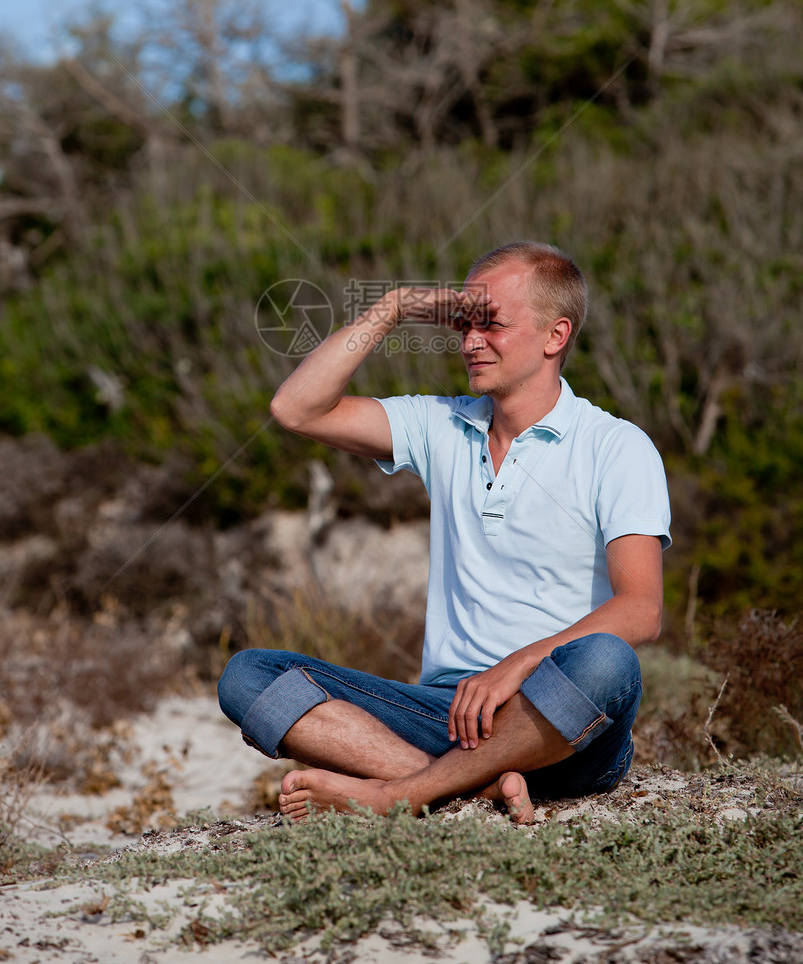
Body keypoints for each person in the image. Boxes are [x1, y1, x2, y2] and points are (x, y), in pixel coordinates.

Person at [218, 241, 671, 823]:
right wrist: (393, 308)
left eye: (492, 325)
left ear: (555, 336)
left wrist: (516, 667)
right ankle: (473, 789)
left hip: (558, 722)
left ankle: (396, 794)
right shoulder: (442, 423)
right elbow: (296, 409)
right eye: (464, 325)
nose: (469, 343)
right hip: (446, 715)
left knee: (609, 662)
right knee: (249, 676)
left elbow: (642, 611)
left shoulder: (617, 447)